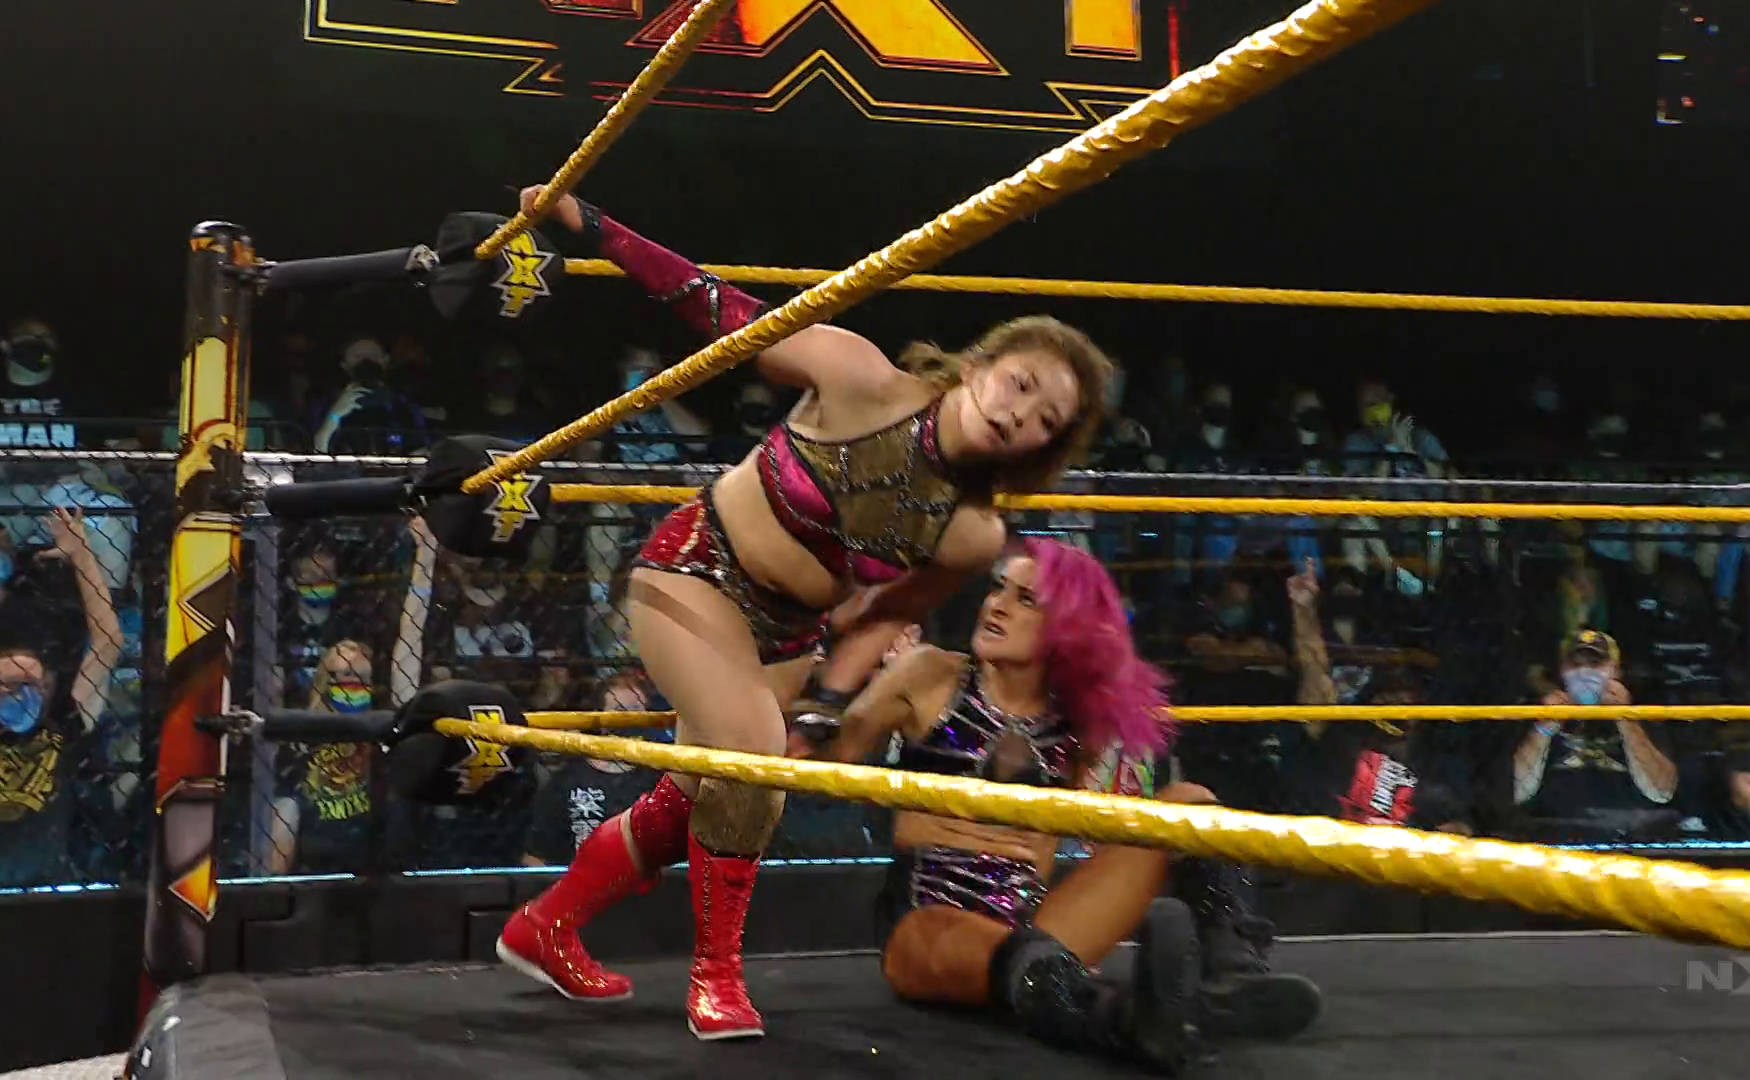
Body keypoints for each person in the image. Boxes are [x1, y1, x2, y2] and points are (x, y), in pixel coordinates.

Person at [497, 187, 1113, 1042]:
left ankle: (546, 925)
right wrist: (589, 225)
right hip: (695, 570)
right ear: (980, 364)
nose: (1018, 414)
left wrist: (825, 705)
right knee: (751, 758)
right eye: (1020, 384)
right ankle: (717, 975)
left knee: (696, 795)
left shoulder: (973, 533)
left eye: (1046, 419)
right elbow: (718, 309)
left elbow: (885, 616)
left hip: (791, 633)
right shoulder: (858, 374)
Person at [806, 540, 1320, 1073]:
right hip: (927, 925)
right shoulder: (930, 674)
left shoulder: (1078, 721)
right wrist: (820, 676)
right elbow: (832, 753)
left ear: (1065, 626)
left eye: (1025, 599)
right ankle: (1127, 1022)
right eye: (998, 588)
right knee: (1019, 955)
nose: (996, 605)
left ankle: (1231, 978)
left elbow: (1098, 824)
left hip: (1032, 923)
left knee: (1190, 804)